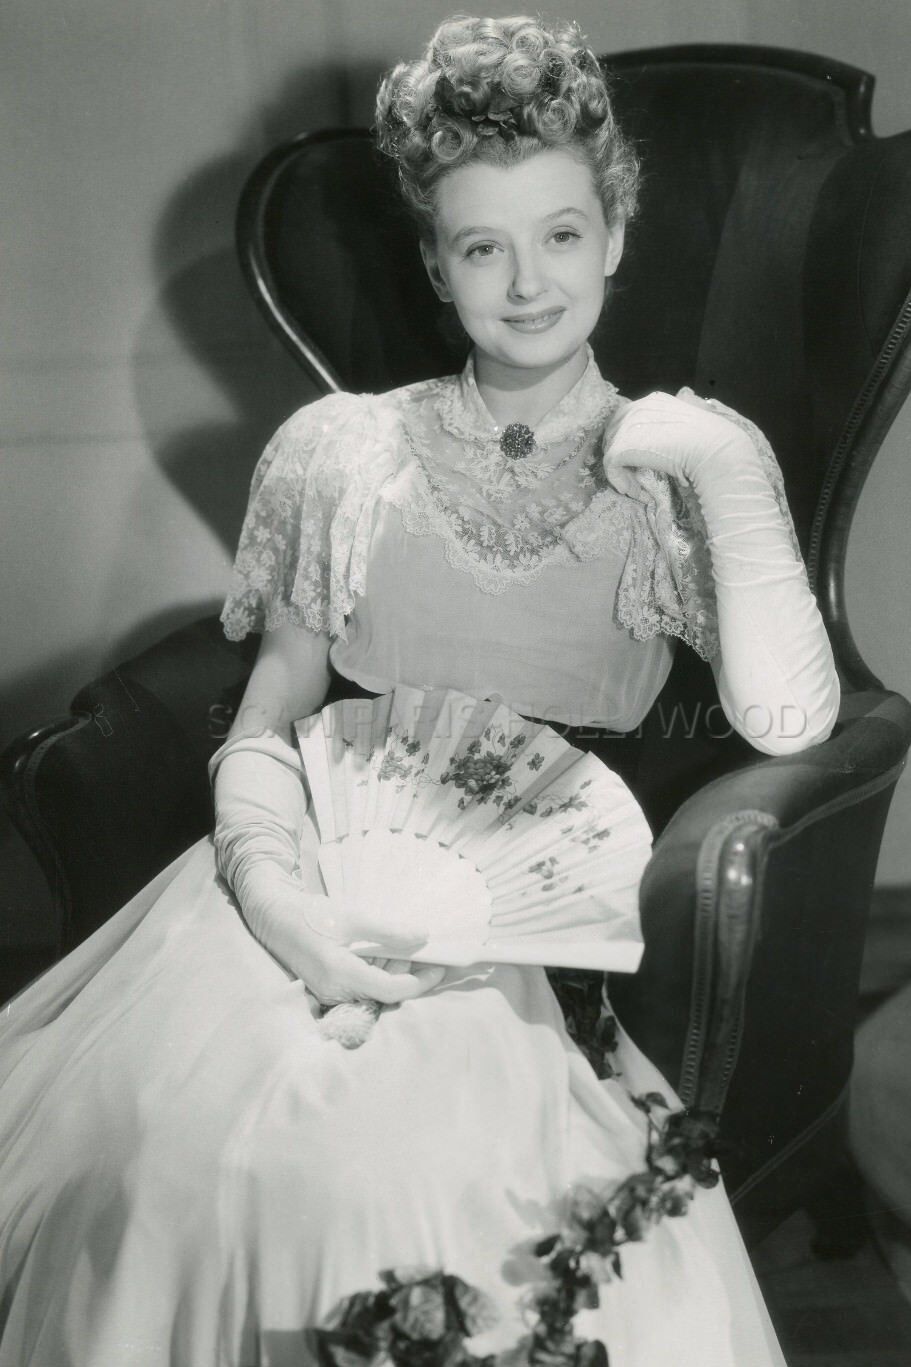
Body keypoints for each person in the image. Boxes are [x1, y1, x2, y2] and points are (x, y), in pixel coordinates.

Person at [0, 14, 841, 1366]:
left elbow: (791, 722)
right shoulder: (340, 451)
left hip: (523, 921)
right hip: (304, 869)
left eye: (561, 234)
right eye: (482, 247)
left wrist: (726, 469)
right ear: (437, 266)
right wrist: (281, 903)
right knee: (180, 1158)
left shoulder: (681, 467)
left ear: (616, 238)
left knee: (395, 1180)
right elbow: (270, 711)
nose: (528, 282)